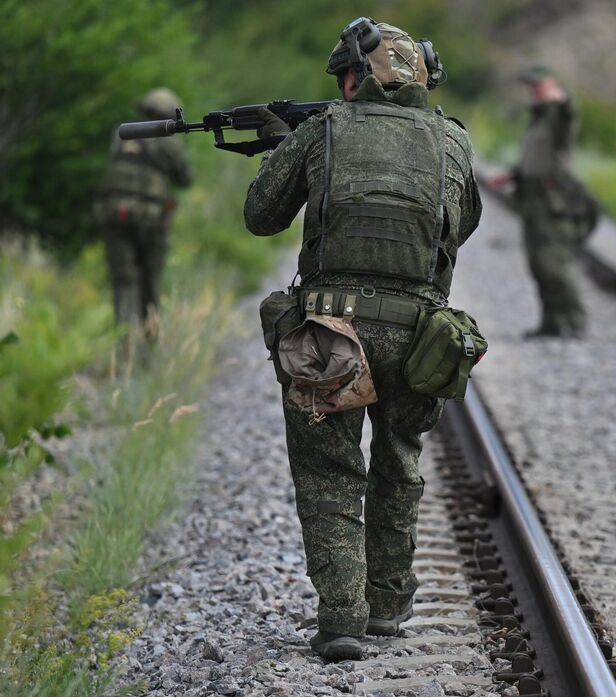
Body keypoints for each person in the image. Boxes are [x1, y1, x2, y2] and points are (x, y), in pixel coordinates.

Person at [243, 18, 481, 660]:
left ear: (355, 78)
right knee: (398, 462)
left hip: (330, 333)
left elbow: (260, 217)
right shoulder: (453, 142)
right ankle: (387, 604)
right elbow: (459, 229)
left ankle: (343, 618)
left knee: (328, 471)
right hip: (417, 336)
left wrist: (285, 150)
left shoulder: (322, 130)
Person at [491, 65, 589, 338]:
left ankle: (575, 321)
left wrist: (563, 102)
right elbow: (535, 160)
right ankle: (551, 322)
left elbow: (568, 123)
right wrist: (511, 175)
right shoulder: (539, 118)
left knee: (553, 262)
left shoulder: (557, 115)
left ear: (552, 84)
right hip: (533, 199)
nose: (534, 90)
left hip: (552, 200)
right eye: (532, 86)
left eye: (539, 85)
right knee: (538, 264)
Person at [95, 87, 192, 340]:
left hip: (114, 214)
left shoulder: (122, 132)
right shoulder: (169, 141)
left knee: (123, 282)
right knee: (151, 282)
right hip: (152, 219)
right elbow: (185, 179)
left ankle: (123, 342)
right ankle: (151, 341)